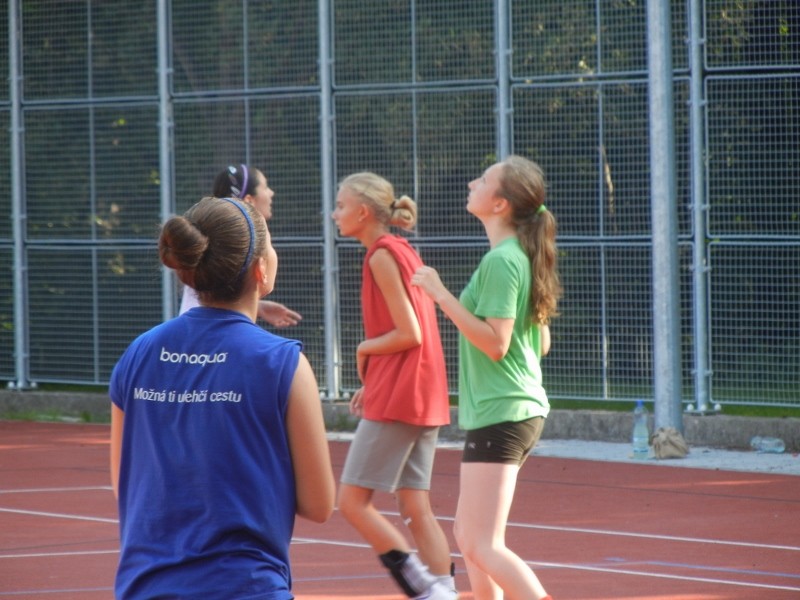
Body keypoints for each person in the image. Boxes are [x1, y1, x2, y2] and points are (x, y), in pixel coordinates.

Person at [110, 196, 335, 599]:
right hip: (245, 586)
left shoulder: (139, 352)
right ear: (260, 269)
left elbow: (122, 481)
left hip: (144, 585)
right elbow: (318, 504)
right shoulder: (281, 362)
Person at [411, 155, 561, 600]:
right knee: (468, 534)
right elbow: (541, 342)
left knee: (482, 544)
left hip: (504, 411)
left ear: (500, 204)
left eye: (483, 180)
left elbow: (496, 343)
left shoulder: (503, 261)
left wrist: (440, 295)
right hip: (508, 410)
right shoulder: (517, 257)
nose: (471, 183)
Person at [331, 172, 458, 600]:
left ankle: (427, 591)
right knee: (414, 507)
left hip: (401, 395)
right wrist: (375, 377)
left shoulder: (381, 256)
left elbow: (409, 333)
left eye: (341, 206)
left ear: (363, 213)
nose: (334, 214)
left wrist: (364, 349)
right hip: (422, 391)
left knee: (352, 502)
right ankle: (445, 594)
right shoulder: (402, 249)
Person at [179, 164, 302, 329]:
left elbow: (217, 299)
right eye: (265, 187)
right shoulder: (236, 246)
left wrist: (258, 307)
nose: (271, 193)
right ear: (249, 201)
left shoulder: (210, 237)